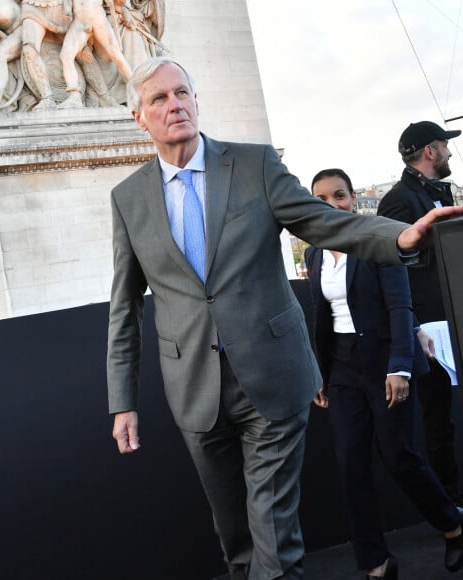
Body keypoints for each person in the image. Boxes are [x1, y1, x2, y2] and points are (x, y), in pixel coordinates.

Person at [106, 57, 463, 580]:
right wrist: (123, 402)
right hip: (194, 390)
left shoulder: (254, 165)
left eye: (182, 92)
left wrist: (397, 237)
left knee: (272, 528)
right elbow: (124, 306)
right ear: (140, 117)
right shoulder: (127, 199)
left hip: (271, 376)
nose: (174, 104)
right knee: (236, 536)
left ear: (197, 101)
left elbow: (320, 222)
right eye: (158, 98)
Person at [306, 168, 463, 579]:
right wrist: (318, 372)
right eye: (321, 198)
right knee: (350, 463)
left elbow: (400, 306)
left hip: (384, 362)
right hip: (340, 366)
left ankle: (453, 525)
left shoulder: (376, 239)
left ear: (353, 198)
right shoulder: (315, 252)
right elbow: (322, 319)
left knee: (400, 458)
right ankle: (376, 562)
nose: (332, 204)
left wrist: (399, 367)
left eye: (339, 195)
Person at [377, 121, 463, 508]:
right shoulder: (398, 199)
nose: (449, 153)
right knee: (438, 418)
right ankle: (451, 503)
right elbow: (390, 265)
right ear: (430, 150)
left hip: (455, 313)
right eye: (445, 146)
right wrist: (413, 326)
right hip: (431, 324)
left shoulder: (441, 191)